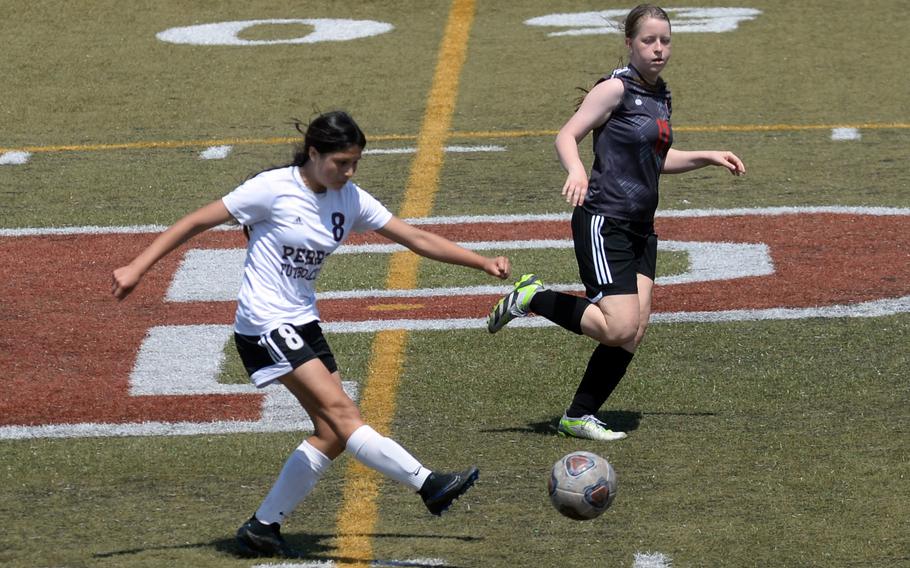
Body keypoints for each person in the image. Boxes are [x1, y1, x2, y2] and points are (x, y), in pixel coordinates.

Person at [112, 110, 512, 558]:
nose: (349, 171)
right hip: (266, 324)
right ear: (314, 153)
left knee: (332, 433)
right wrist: (137, 267)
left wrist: (481, 262)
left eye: (355, 162)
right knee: (344, 414)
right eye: (341, 162)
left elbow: (414, 237)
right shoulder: (272, 189)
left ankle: (262, 527)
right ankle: (428, 484)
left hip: (302, 322)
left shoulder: (349, 197)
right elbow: (194, 222)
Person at [487, 4, 745, 441]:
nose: (658, 48)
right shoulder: (615, 88)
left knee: (634, 330)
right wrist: (576, 171)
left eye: (665, 40)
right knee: (619, 325)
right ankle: (533, 297)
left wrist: (706, 156)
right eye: (649, 40)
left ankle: (578, 415)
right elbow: (566, 135)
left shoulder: (661, 94)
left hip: (641, 227)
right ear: (630, 43)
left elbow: (654, 160)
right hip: (604, 220)